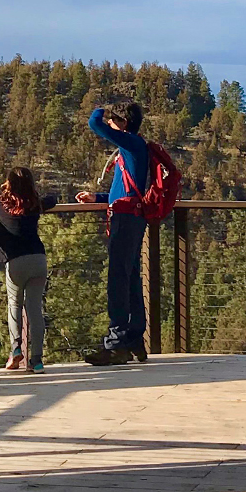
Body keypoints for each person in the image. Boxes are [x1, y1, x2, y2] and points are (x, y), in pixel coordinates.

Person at [77, 100, 151, 366]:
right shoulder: (134, 148)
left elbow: (94, 123)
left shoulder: (131, 144)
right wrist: (97, 197)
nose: (109, 125)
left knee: (118, 281)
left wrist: (100, 107)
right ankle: (134, 340)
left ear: (122, 124)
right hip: (131, 216)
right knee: (130, 279)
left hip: (125, 220)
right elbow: (125, 191)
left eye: (114, 122)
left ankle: (116, 343)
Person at [0, 167, 57, 372]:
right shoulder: (35, 203)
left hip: (15, 261)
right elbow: (52, 199)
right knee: (35, 310)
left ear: (8, 184)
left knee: (14, 305)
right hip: (38, 259)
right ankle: (36, 360)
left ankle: (16, 349)